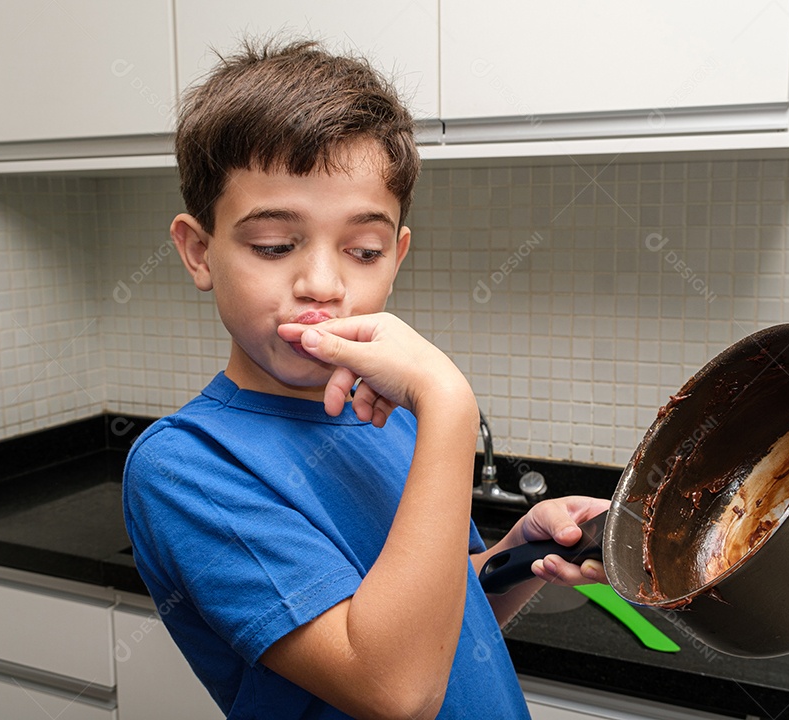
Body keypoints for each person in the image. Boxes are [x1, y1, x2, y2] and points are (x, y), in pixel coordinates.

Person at [122, 39, 610, 719]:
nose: (322, 284)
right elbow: (396, 686)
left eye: (363, 250)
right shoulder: (187, 467)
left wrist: (515, 554)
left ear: (397, 255)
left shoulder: (387, 411)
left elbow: (432, 610)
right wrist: (449, 403)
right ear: (200, 251)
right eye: (273, 245)